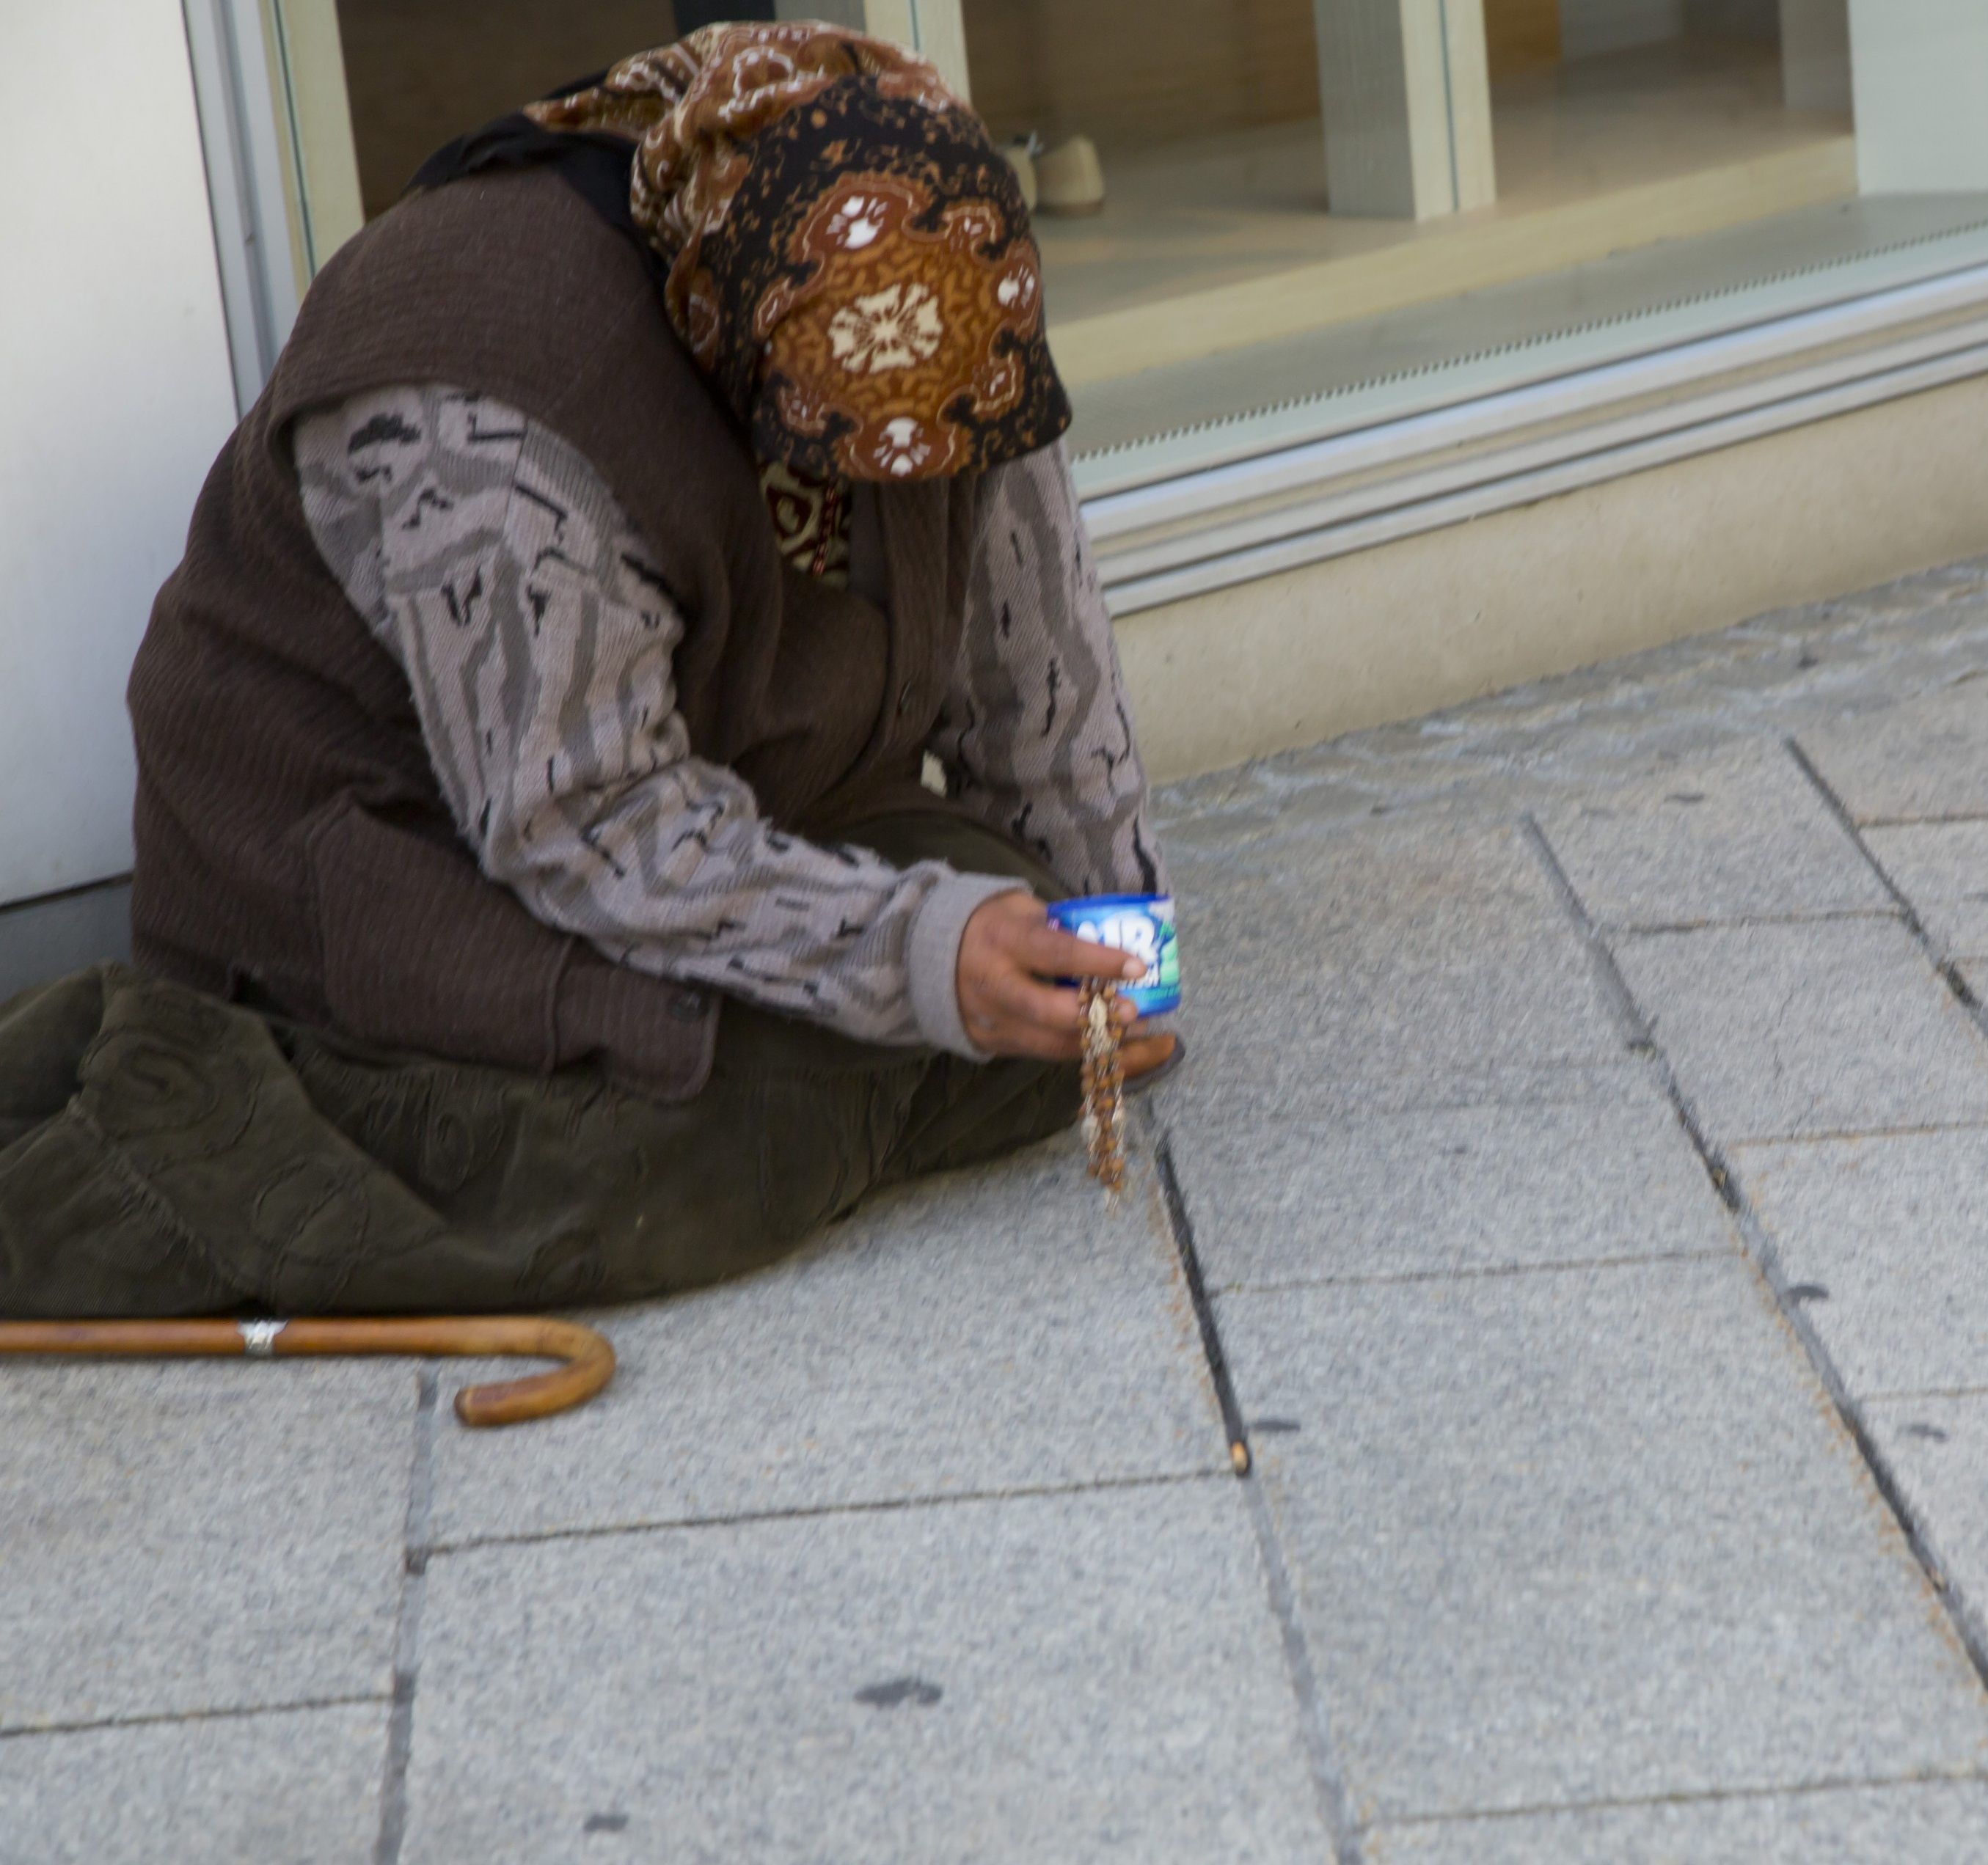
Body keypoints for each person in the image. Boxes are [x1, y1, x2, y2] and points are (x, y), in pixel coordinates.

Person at [0, 22, 1172, 1319]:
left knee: (1015, 977)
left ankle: (850, 1049)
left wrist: (1113, 938)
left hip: (718, 776)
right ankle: (156, 1145)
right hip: (385, 861)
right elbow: (586, 813)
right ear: (723, 334)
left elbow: (1032, 650)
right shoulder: (487, 397)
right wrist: (913, 958)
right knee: (699, 1143)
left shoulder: (943, 278)